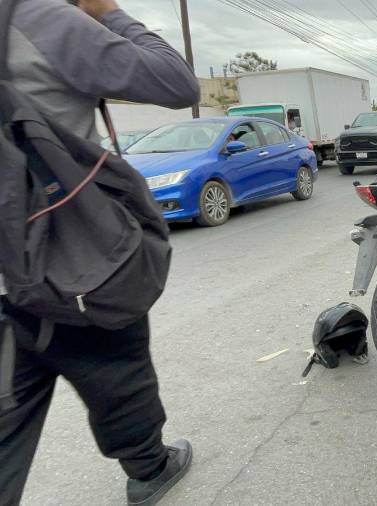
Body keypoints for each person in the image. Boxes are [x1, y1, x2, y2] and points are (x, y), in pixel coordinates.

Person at [0, 1, 200, 505]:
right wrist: (106, 11)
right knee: (117, 365)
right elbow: (177, 82)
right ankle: (149, 468)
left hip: (6, 282)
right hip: (75, 262)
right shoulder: (41, 21)